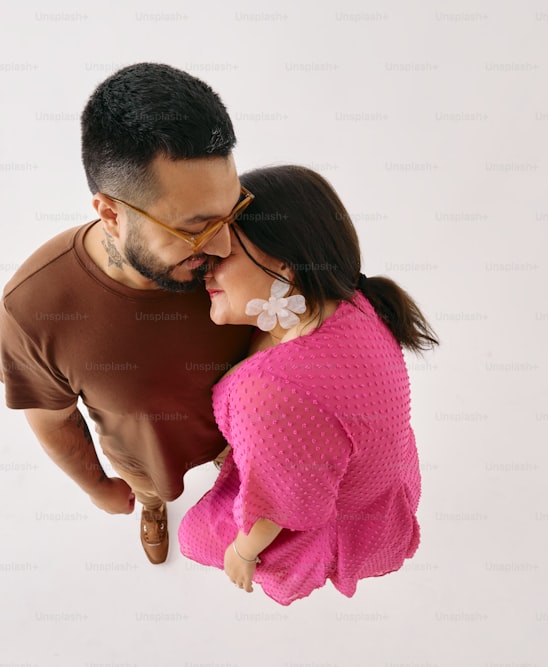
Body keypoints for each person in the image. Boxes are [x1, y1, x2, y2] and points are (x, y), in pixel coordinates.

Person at [0, 63, 252, 565]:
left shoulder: (244, 235)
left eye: (231, 210)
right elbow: (52, 418)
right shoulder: (32, 310)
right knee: (152, 488)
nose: (226, 245)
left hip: (246, 436)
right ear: (111, 213)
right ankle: (154, 507)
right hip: (147, 462)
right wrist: (97, 487)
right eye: (196, 228)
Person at [177, 164, 440, 605]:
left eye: (223, 255)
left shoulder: (270, 390)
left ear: (284, 264)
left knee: (192, 537)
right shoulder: (354, 303)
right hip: (377, 485)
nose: (205, 268)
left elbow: (281, 508)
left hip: (324, 515)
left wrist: (243, 552)